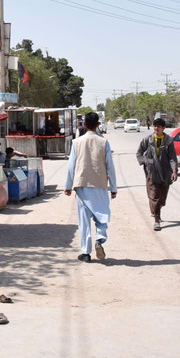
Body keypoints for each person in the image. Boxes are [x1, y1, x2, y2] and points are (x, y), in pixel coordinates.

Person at [64, 112, 117, 262]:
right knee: (101, 215)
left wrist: (68, 186)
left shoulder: (76, 143)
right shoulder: (104, 142)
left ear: (84, 125)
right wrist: (113, 188)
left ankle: (86, 253)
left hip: (82, 185)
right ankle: (99, 239)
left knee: (84, 220)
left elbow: (70, 166)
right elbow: (110, 167)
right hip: (100, 184)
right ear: (98, 125)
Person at [136, 118, 177, 231]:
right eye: (155, 126)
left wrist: (174, 171)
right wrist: (146, 161)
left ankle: (156, 210)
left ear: (163, 128)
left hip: (165, 172)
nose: (156, 128)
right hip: (151, 172)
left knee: (162, 198)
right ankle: (157, 220)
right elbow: (139, 153)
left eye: (159, 126)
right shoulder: (148, 140)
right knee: (154, 196)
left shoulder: (168, 141)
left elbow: (172, 157)